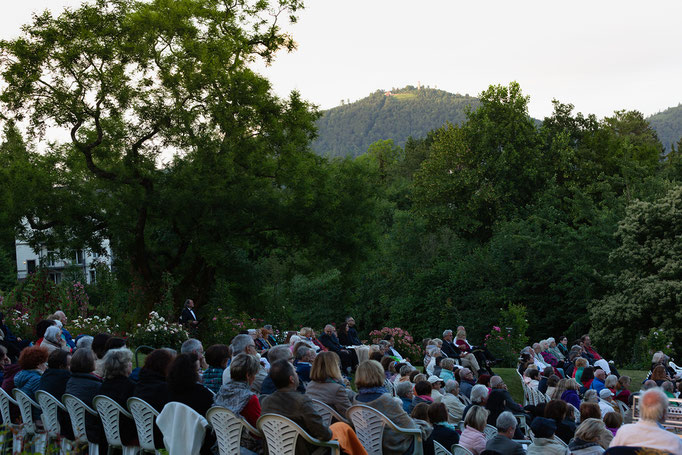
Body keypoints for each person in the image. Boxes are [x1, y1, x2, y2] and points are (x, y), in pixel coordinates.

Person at [261, 359, 332, 455]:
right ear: (292, 379)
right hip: (304, 451)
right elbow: (324, 434)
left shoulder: (266, 402)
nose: (297, 374)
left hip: (274, 451)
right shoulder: (301, 402)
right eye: (295, 372)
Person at [353, 360, 420, 455]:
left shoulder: (356, 400)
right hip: (391, 446)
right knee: (425, 434)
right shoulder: (384, 399)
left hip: (367, 445)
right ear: (379, 374)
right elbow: (410, 426)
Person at [610, 388, 682, 452]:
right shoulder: (674, 442)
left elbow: (611, 451)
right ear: (664, 412)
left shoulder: (623, 432)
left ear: (640, 409)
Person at [133, 348, 175, 449]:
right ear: (166, 366)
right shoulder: (164, 388)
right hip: (162, 436)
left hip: (143, 435)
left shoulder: (139, 384)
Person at [65, 348, 106, 450]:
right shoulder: (95, 385)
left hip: (72, 427)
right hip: (92, 430)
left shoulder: (71, 381)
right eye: (94, 360)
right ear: (90, 363)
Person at [98, 348, 137, 446]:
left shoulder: (103, 386)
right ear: (123, 366)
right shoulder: (131, 387)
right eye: (129, 362)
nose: (131, 364)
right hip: (127, 435)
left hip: (106, 433)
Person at [305, 351, 355, 415]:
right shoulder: (337, 389)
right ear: (334, 367)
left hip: (317, 421)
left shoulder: (310, 385)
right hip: (335, 423)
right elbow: (349, 414)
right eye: (338, 364)